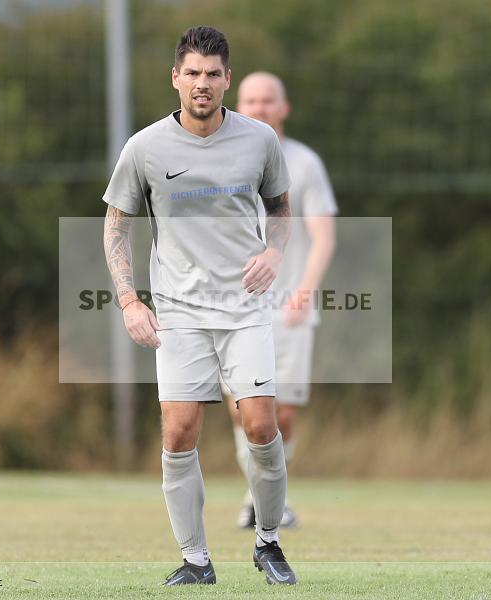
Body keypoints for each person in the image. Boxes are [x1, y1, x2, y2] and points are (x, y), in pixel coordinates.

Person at [102, 27, 297, 586]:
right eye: (192, 73)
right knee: (179, 432)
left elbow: (282, 208)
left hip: (245, 307)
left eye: (213, 74)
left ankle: (268, 541)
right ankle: (196, 560)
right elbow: (117, 222)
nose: (202, 84)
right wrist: (129, 300)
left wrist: (275, 252)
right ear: (176, 79)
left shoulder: (259, 140)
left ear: (227, 79)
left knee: (260, 425)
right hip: (180, 312)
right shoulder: (145, 147)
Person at [226, 72, 338, 529]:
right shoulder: (222, 159)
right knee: (244, 411)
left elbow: (323, 237)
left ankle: (267, 498)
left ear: (283, 107)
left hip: (288, 310)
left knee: (281, 412)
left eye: (268, 100)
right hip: (232, 308)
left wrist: (303, 293)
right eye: (251, 100)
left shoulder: (305, 164)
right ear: (238, 105)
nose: (260, 107)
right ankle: (262, 498)